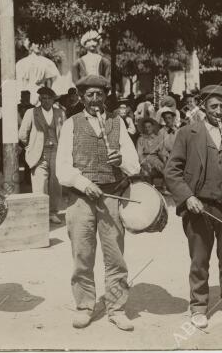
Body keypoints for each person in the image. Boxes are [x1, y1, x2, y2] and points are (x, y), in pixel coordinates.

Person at [165, 85, 222, 330]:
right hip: (199, 207)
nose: (218, 110)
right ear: (203, 106)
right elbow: (172, 171)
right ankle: (198, 307)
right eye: (213, 106)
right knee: (199, 260)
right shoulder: (187, 132)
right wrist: (187, 197)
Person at [56, 75, 140, 331]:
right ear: (81, 97)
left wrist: (120, 161)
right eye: (90, 95)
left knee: (115, 256)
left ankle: (116, 308)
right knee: (83, 255)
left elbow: (134, 165)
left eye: (100, 94)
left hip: (112, 197)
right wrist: (83, 184)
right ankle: (84, 306)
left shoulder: (118, 122)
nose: (95, 100)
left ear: (106, 96)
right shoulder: (71, 124)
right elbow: (62, 168)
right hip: (81, 198)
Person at [19, 86, 66, 224]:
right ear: (39, 99)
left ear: (53, 100)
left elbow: (66, 133)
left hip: (56, 152)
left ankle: (52, 212)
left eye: (48, 98)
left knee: (55, 185)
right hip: (39, 154)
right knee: (40, 185)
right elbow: (22, 134)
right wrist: (30, 147)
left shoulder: (60, 113)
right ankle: (40, 214)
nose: (45, 101)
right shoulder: (31, 112)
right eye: (43, 98)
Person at [16, 40, 60, 106]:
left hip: (25, 97)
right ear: (30, 46)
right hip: (41, 96)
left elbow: (18, 84)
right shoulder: (47, 62)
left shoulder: (20, 63)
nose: (38, 45)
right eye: (36, 43)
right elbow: (56, 81)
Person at [144, 106, 178, 187]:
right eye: (166, 118)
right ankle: (164, 186)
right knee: (166, 164)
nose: (168, 120)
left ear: (173, 118)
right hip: (164, 156)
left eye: (169, 118)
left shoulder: (178, 130)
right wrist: (166, 157)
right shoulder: (161, 132)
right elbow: (160, 148)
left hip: (176, 155)